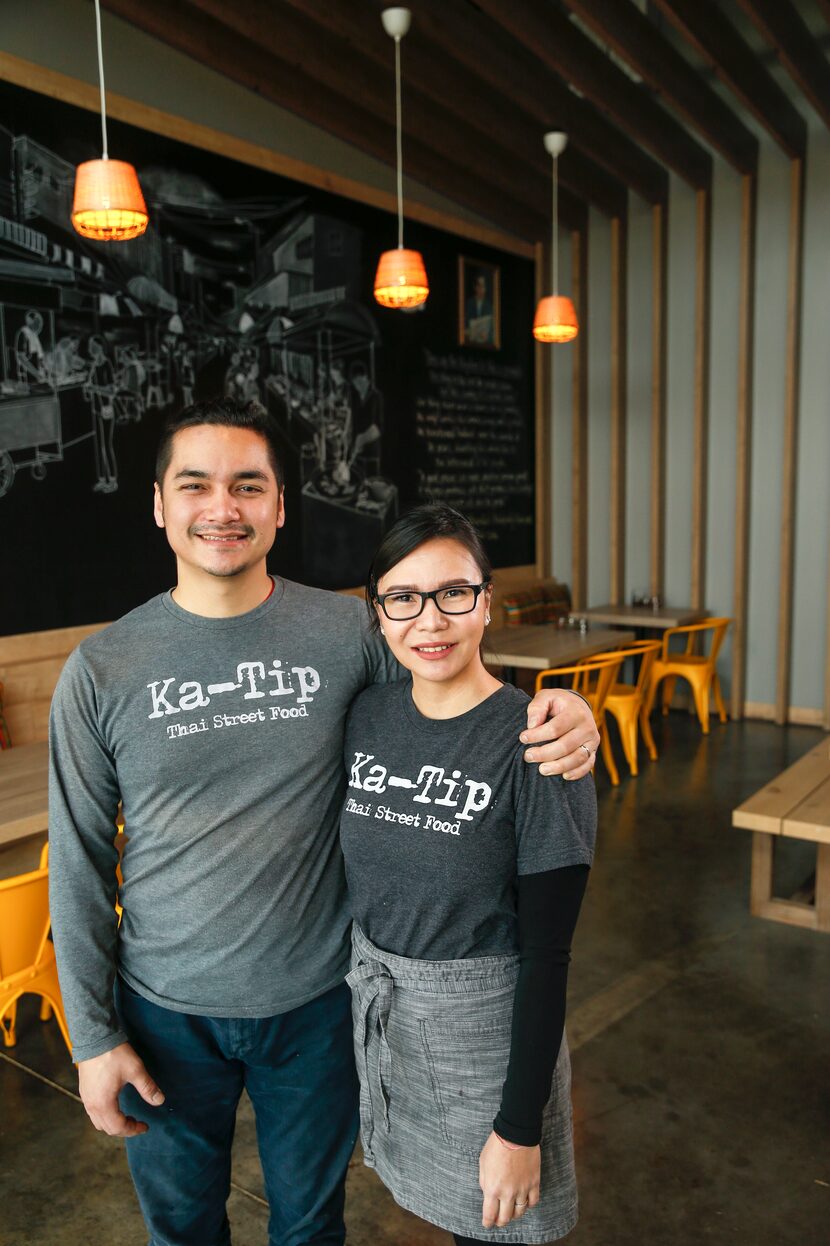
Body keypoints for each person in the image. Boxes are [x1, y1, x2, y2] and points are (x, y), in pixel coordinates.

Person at [48, 397, 600, 1246]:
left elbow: (454, 672)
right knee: (181, 1228)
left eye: (248, 485)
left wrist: (566, 712)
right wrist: (92, 1036)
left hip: (318, 1004)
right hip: (163, 1012)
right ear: (159, 505)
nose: (222, 507)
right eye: (195, 485)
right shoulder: (102, 668)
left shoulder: (349, 629)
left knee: (309, 1226)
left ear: (279, 506)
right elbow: (78, 860)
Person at [341, 503, 597, 1245]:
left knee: (497, 1231)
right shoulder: (367, 714)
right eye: (404, 599)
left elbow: (549, 957)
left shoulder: (538, 743)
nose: (431, 621)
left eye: (454, 593)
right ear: (379, 613)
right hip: (389, 1026)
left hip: (489, 1043)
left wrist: (519, 1130)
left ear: (486, 601)